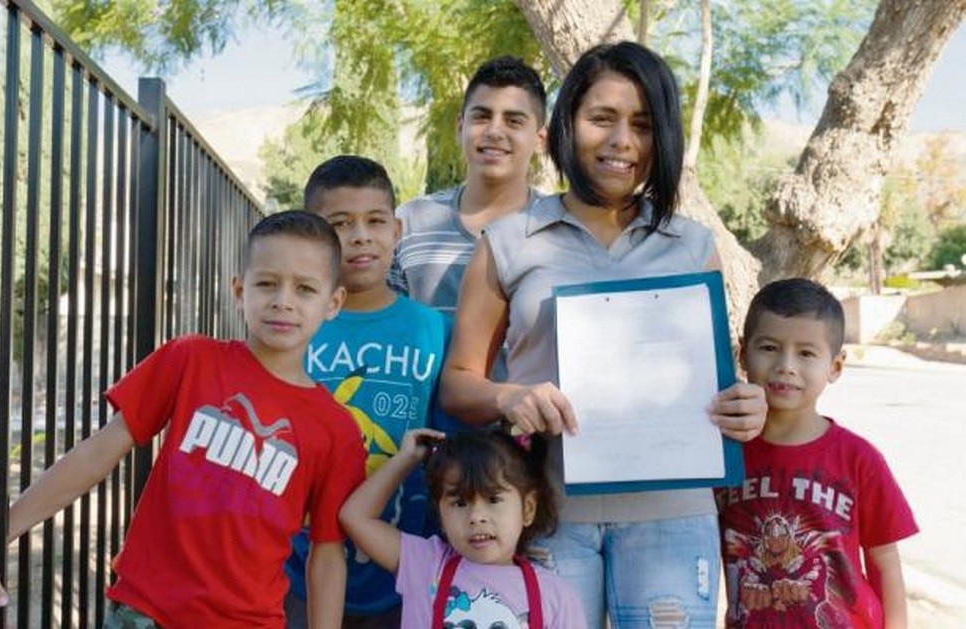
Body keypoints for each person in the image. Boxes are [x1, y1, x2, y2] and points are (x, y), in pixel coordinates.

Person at [440, 41, 768, 628]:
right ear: (567, 125)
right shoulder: (509, 243)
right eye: (602, 119)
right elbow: (458, 385)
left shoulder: (693, 246)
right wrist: (509, 396)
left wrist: (744, 405)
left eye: (642, 125)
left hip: (673, 519)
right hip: (547, 513)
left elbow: (714, 383)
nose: (622, 141)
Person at [0, 211, 366, 628]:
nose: (283, 300)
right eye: (267, 283)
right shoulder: (190, 359)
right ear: (239, 289)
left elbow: (327, 554)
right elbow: (97, 454)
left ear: (333, 302)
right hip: (142, 614)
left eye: (305, 288)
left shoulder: (336, 430)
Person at [285, 155, 452, 627]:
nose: (360, 235)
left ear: (397, 231)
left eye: (375, 221)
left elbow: (448, 444)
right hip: (299, 565)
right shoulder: (296, 326)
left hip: (403, 568)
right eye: (340, 223)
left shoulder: (434, 330)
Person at [716, 278, 918, 628]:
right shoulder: (719, 454)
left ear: (835, 367)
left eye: (806, 353)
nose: (786, 365)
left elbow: (885, 561)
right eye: (769, 347)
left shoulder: (859, 458)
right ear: (742, 354)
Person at [339, 427, 586, 628]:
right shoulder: (424, 564)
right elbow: (355, 517)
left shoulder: (556, 595)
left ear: (528, 509)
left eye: (493, 499)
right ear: (441, 514)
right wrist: (406, 459)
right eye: (460, 502)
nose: (476, 516)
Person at [392, 55, 547, 318]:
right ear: (460, 127)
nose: (495, 132)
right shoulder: (407, 224)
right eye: (482, 117)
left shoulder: (558, 229)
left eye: (514, 121)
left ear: (540, 139)